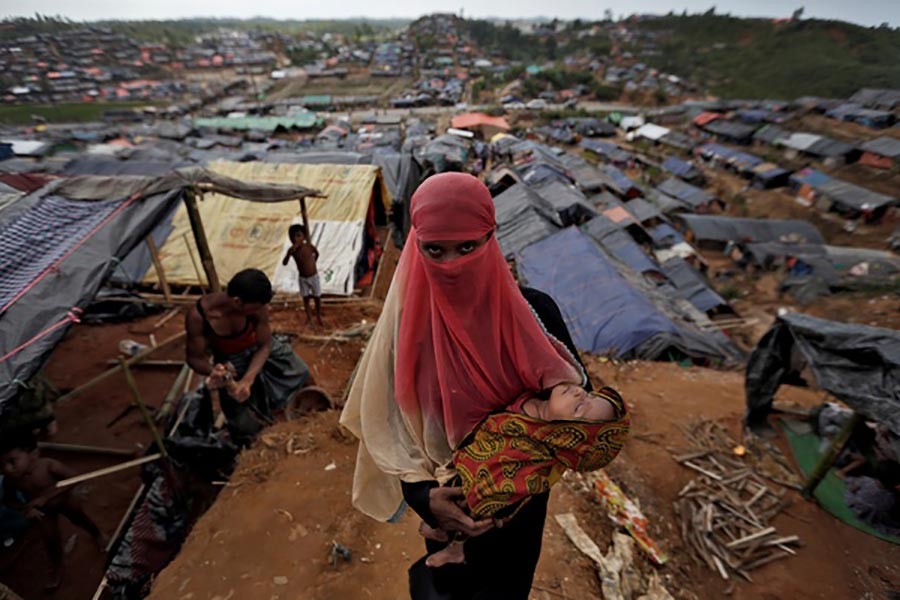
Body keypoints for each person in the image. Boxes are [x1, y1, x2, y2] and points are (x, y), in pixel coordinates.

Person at [341, 172, 597, 599]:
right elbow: (393, 426)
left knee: (511, 586)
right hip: (449, 505)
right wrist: (424, 497)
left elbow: (580, 407)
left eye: (467, 247)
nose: (451, 265)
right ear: (416, 247)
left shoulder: (536, 316)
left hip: (522, 508)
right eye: (434, 250)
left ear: (491, 239)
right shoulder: (408, 331)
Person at [422, 383, 630, 567]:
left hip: (485, 495)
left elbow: (504, 488)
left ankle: (455, 548)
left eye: (579, 408)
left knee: (473, 511)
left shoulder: (533, 458)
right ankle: (441, 529)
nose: (578, 392)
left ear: (566, 434)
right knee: (453, 488)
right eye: (590, 395)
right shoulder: (537, 386)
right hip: (462, 459)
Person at [185, 268, 310, 445]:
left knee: (300, 372)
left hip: (260, 348)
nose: (261, 310)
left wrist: (248, 380)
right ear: (237, 302)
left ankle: (306, 404)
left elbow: (265, 345)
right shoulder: (199, 317)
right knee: (242, 423)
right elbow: (194, 358)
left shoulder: (256, 306)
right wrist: (214, 371)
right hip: (230, 361)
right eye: (256, 308)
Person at [1, 434, 105, 590]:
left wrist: (46, 496)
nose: (7, 469)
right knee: (50, 539)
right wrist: (27, 508)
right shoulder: (11, 481)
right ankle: (57, 566)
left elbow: (74, 478)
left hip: (65, 501)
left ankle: (97, 534)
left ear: (31, 454)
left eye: (12, 461)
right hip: (44, 512)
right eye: (1, 466)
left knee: (80, 518)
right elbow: (9, 501)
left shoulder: (47, 465)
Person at [282, 224, 323, 328]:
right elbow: (284, 263)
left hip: (314, 276)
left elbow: (316, 253)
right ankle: (309, 318)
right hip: (303, 278)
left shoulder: (309, 247)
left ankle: (318, 316)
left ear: (304, 237)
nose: (296, 239)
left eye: (298, 236)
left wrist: (313, 262)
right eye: (293, 237)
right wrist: (288, 254)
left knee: (317, 297)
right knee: (306, 298)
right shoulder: (293, 251)